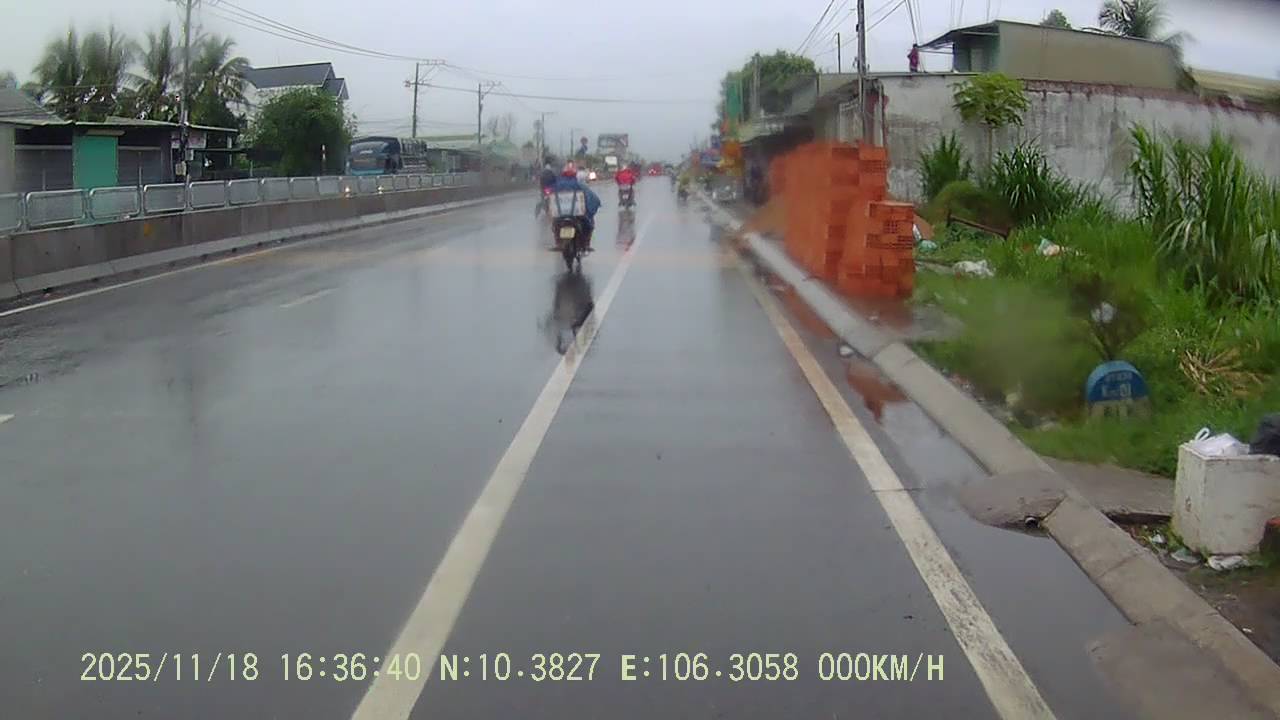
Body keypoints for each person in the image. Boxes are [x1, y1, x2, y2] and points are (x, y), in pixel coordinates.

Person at [551, 163, 601, 245]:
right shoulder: (579, 185)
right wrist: (591, 210)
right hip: (577, 216)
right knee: (589, 225)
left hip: (560, 216)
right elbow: (592, 199)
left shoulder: (556, 186)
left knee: (555, 226)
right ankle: (586, 243)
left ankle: (559, 243)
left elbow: (550, 199)